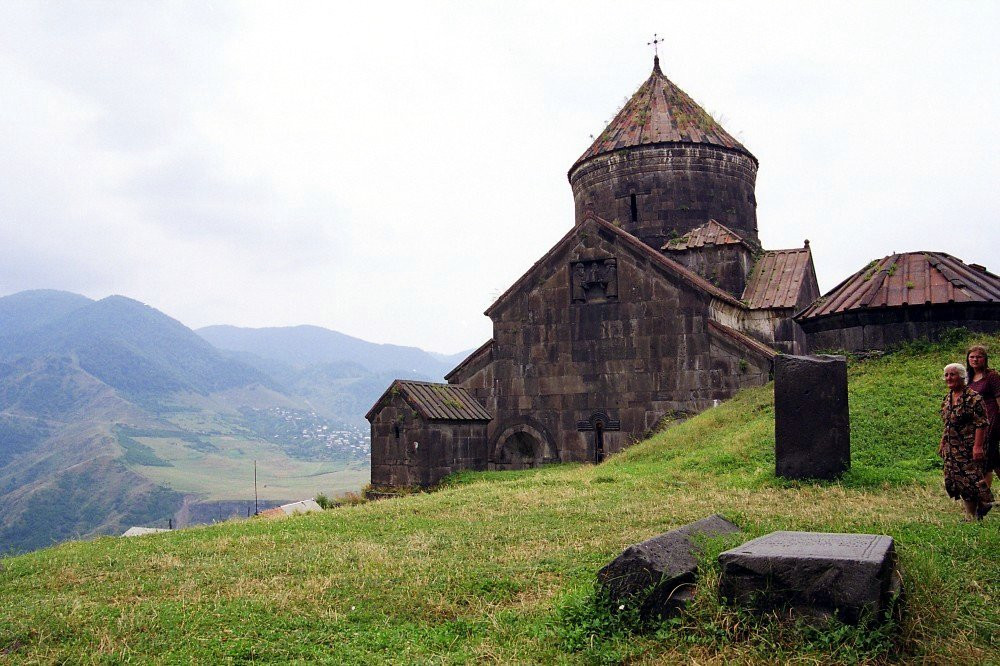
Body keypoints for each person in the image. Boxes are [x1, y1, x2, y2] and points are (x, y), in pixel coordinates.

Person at [939, 362, 993, 520]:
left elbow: (981, 423)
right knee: (956, 479)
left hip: (967, 446)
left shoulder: (973, 398)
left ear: (962, 377)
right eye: (947, 375)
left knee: (971, 478)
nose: (949, 378)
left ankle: (977, 509)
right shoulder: (948, 398)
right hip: (952, 446)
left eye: (952, 374)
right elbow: (948, 422)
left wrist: (977, 447)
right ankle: (980, 507)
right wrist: (943, 441)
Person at [966, 345, 1000, 487]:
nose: (975, 359)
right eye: (972, 357)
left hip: (992, 419)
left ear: (985, 359)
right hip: (976, 422)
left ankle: (984, 498)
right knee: (995, 459)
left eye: (978, 357)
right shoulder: (969, 378)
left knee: (986, 456)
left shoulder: (992, 376)